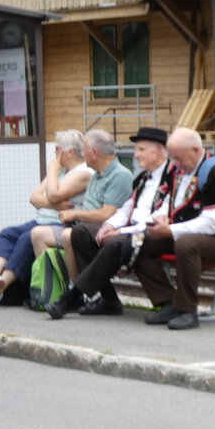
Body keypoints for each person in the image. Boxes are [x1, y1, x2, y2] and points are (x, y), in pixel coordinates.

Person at [46, 126, 174, 319]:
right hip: (133, 229)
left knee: (117, 243)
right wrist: (110, 225)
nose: (135, 155)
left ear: (156, 150)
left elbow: (158, 217)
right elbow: (127, 208)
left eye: (140, 149)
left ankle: (71, 297)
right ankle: (109, 299)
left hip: (155, 232)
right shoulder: (143, 178)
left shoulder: (172, 178)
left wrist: (122, 231)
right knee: (80, 233)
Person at [131, 127, 215, 330]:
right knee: (141, 243)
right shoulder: (180, 169)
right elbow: (172, 203)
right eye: (172, 158)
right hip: (187, 233)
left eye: (179, 158)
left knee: (186, 243)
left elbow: (211, 222)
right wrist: (162, 218)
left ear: (195, 150)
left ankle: (187, 311)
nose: (175, 164)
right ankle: (169, 302)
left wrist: (171, 231)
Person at [0, 130, 92, 307]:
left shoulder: (82, 172)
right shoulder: (61, 172)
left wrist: (52, 171)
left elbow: (52, 194)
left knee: (26, 238)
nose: (55, 153)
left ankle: (0, 287)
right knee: (8, 233)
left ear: (70, 152)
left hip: (61, 223)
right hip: (42, 220)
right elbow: (34, 198)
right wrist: (55, 204)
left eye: (58, 149)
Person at [29, 128, 133, 281]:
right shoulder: (97, 173)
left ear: (94, 152)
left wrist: (75, 214)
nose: (82, 154)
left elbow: (106, 214)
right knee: (37, 233)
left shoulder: (120, 175)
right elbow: (35, 198)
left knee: (68, 234)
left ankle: (74, 288)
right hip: (83, 225)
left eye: (84, 150)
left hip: (104, 228)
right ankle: (51, 291)